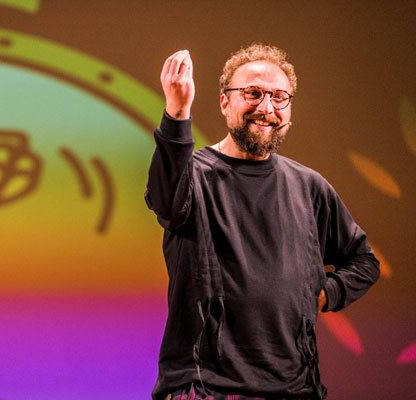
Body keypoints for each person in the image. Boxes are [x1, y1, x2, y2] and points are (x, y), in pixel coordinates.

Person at [145, 44, 380, 400]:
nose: (266, 108)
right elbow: (167, 205)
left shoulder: (308, 186)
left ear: (289, 109)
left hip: (294, 388)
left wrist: (320, 294)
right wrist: (177, 112)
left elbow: (364, 261)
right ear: (225, 103)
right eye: (252, 93)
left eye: (279, 97)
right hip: (206, 388)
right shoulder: (193, 174)